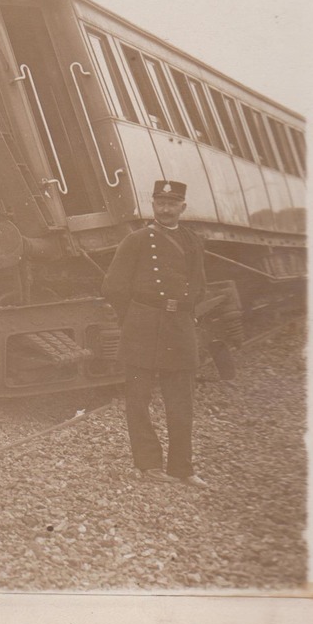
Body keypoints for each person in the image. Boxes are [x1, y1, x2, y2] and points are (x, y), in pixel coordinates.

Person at [102, 178, 207, 486]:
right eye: (160, 203)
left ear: (182, 207)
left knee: (181, 402)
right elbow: (113, 287)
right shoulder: (136, 240)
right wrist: (133, 317)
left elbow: (200, 286)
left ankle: (182, 468)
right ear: (152, 205)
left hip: (179, 328)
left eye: (172, 204)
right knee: (138, 400)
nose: (165, 209)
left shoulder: (192, 241)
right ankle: (149, 465)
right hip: (142, 327)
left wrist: (184, 308)